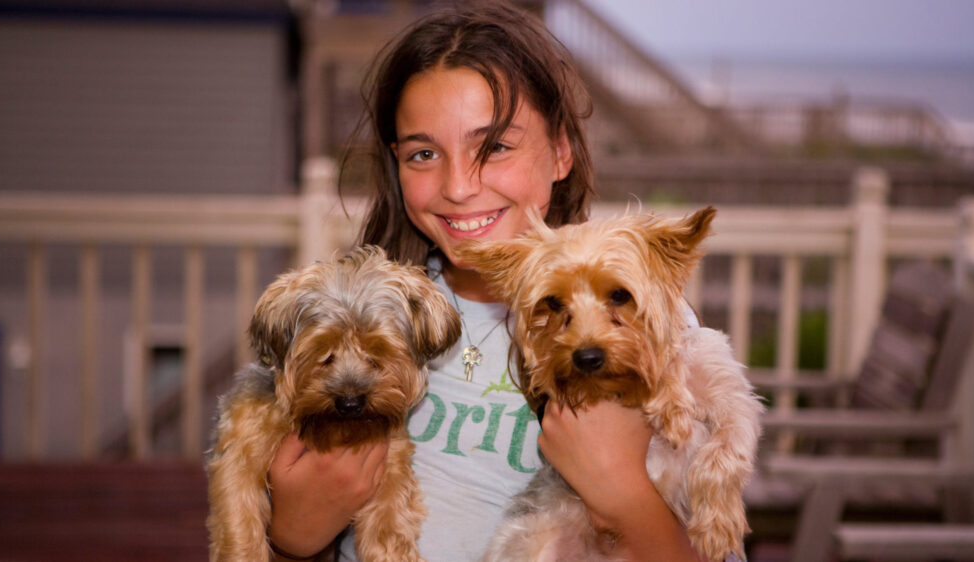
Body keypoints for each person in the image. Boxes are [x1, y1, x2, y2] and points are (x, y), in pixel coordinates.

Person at [266, 2, 709, 560]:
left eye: (494, 146)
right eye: (423, 153)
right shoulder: (359, 323)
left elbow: (717, 543)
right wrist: (290, 538)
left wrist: (623, 492)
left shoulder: (643, 330)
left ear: (561, 151)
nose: (458, 186)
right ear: (395, 165)